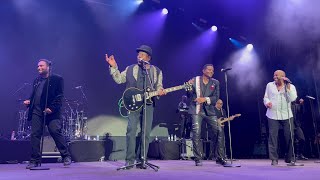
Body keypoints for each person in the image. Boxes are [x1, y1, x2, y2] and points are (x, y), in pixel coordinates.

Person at [105, 45, 166, 169]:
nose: (139, 56)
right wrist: (113, 66)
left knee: (146, 132)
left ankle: (142, 159)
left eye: (142, 54)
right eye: (138, 54)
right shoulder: (130, 68)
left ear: (148, 57)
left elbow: (159, 86)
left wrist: (160, 91)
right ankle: (129, 160)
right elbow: (119, 79)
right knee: (131, 130)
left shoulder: (156, 71)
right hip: (133, 104)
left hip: (148, 104)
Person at [23, 59, 71, 169]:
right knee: (35, 135)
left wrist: (52, 108)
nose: (38, 68)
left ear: (48, 66)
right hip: (37, 111)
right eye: (38, 66)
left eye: (41, 66)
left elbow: (59, 96)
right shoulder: (37, 80)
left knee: (55, 131)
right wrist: (29, 101)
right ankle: (35, 160)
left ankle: (66, 156)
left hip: (51, 112)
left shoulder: (57, 79)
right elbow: (34, 95)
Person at [187, 64, 223, 166]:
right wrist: (189, 88)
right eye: (209, 69)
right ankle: (198, 158)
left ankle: (220, 157)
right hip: (196, 110)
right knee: (197, 133)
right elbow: (189, 95)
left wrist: (205, 99)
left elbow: (216, 98)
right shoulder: (195, 80)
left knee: (219, 131)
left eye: (212, 70)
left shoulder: (215, 83)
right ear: (203, 71)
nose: (211, 71)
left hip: (210, 111)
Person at [263, 70, 297, 166]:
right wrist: (267, 102)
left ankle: (289, 158)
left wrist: (288, 87)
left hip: (286, 114)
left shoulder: (291, 86)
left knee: (289, 135)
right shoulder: (269, 85)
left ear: (283, 77)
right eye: (274, 75)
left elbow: (292, 99)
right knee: (273, 137)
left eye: (277, 75)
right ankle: (274, 159)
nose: (274, 76)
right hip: (272, 114)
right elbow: (266, 97)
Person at [211, 99, 227, 164]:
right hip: (214, 128)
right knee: (216, 142)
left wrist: (229, 119)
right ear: (216, 103)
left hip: (221, 128)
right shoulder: (213, 110)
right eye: (219, 103)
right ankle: (216, 156)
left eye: (221, 104)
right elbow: (211, 119)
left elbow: (225, 118)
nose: (220, 105)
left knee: (221, 142)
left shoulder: (223, 111)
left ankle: (221, 157)